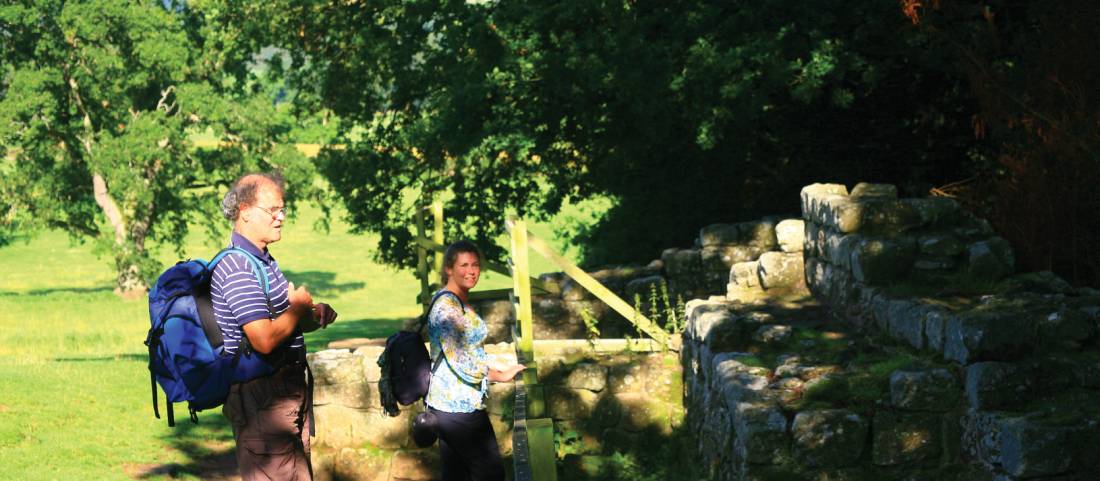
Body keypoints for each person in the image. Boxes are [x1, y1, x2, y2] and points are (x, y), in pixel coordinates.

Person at [211, 172, 338, 481]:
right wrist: (295, 310)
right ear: (245, 212)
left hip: (281, 395)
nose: (281, 217)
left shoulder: (263, 260)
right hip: (263, 400)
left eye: (283, 209)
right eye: (273, 210)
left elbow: (279, 327)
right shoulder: (237, 266)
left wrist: (309, 316)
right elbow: (264, 339)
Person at [426, 240, 526, 481]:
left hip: (451, 406)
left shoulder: (456, 300)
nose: (471, 271)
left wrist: (496, 362)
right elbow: (460, 360)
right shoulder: (446, 308)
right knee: (490, 473)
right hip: (458, 407)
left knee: (456, 474)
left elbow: (468, 349)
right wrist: (498, 374)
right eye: (463, 265)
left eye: (475, 265)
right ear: (449, 269)